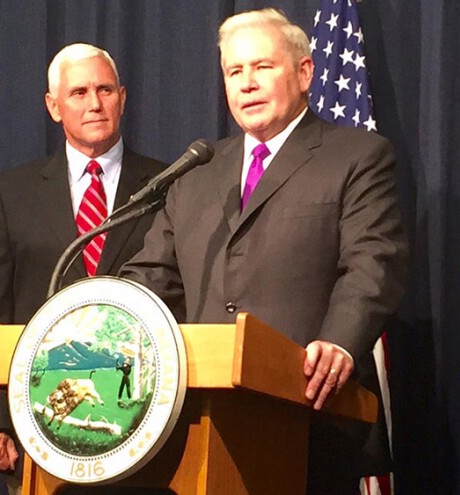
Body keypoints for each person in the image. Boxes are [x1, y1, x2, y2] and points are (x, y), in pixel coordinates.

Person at [119, 8, 407, 493]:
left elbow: (373, 263)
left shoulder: (357, 156)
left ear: (304, 73)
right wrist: (102, 318)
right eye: (235, 72)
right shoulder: (195, 171)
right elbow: (152, 276)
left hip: (308, 413)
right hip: (201, 420)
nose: (246, 84)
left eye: (262, 67)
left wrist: (339, 343)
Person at [0, 43, 166, 493]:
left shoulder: (168, 185)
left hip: (142, 424)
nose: (94, 103)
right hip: (41, 425)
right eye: (78, 92)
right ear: (54, 107)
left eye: (104, 89)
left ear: (123, 98)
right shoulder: (12, 192)